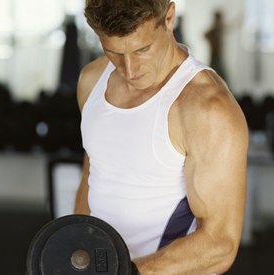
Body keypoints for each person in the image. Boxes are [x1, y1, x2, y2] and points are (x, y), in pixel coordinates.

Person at [74, 1, 248, 274]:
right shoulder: (91, 80)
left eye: (142, 50)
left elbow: (219, 245)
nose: (129, 70)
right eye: (114, 52)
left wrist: (126, 271)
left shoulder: (207, 108)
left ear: (169, 17)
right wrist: (77, 253)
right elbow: (91, 176)